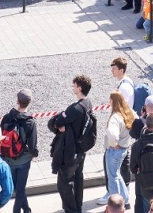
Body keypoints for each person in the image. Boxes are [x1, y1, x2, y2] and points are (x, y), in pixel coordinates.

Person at [51, 76, 96, 213]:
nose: (73, 87)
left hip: (71, 152)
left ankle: (71, 210)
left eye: (75, 85)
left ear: (79, 88)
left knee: (64, 183)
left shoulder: (75, 108)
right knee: (78, 180)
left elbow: (57, 122)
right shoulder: (88, 104)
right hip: (81, 150)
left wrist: (62, 124)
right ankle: (78, 207)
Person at [0, 92, 37, 213]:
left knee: (16, 187)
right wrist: (33, 155)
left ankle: (27, 210)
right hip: (23, 161)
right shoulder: (30, 122)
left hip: (8, 159)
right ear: (29, 102)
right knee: (20, 189)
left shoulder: (7, 118)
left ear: (17, 101)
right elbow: (32, 145)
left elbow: (1, 136)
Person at [105, 91, 136, 205]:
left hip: (114, 150)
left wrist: (114, 143)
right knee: (117, 175)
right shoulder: (129, 113)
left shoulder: (115, 117)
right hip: (125, 148)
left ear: (113, 101)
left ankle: (115, 205)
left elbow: (113, 135)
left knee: (113, 178)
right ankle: (125, 200)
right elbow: (138, 123)